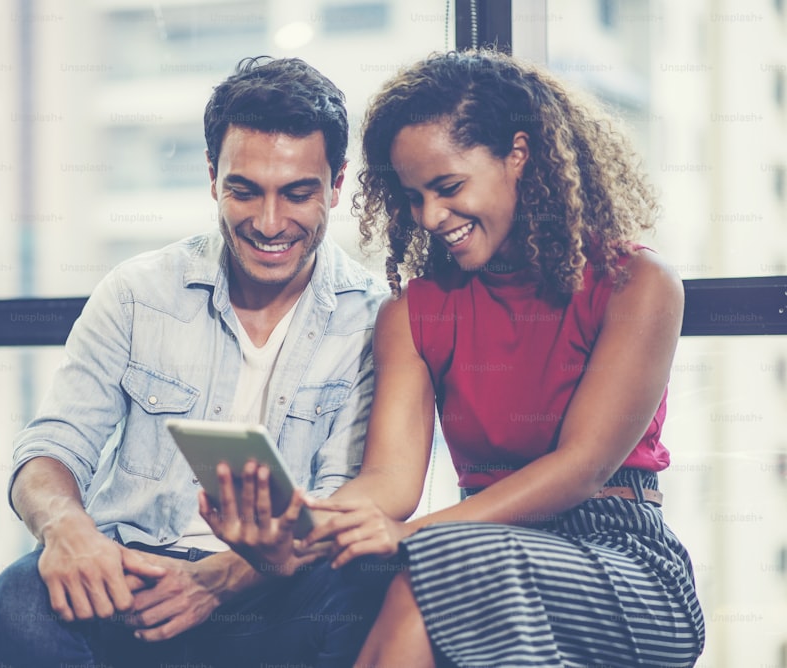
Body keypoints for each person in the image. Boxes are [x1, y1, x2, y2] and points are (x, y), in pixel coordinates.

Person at [202, 50, 706, 667]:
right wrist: (300, 522)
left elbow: (581, 468)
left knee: (429, 571)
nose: (431, 217)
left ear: (517, 155)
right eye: (413, 197)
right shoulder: (412, 314)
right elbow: (387, 482)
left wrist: (417, 538)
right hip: (477, 553)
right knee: (375, 582)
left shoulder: (638, 283)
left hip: (624, 565)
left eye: (448, 187)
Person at [0, 56, 392, 668]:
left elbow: (340, 507)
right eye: (244, 190)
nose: (270, 223)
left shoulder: (372, 321)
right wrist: (65, 527)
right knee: (20, 598)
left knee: (364, 591)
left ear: (335, 185)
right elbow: (52, 446)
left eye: (298, 193)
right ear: (212, 177)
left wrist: (220, 580)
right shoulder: (137, 291)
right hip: (136, 575)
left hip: (272, 588)